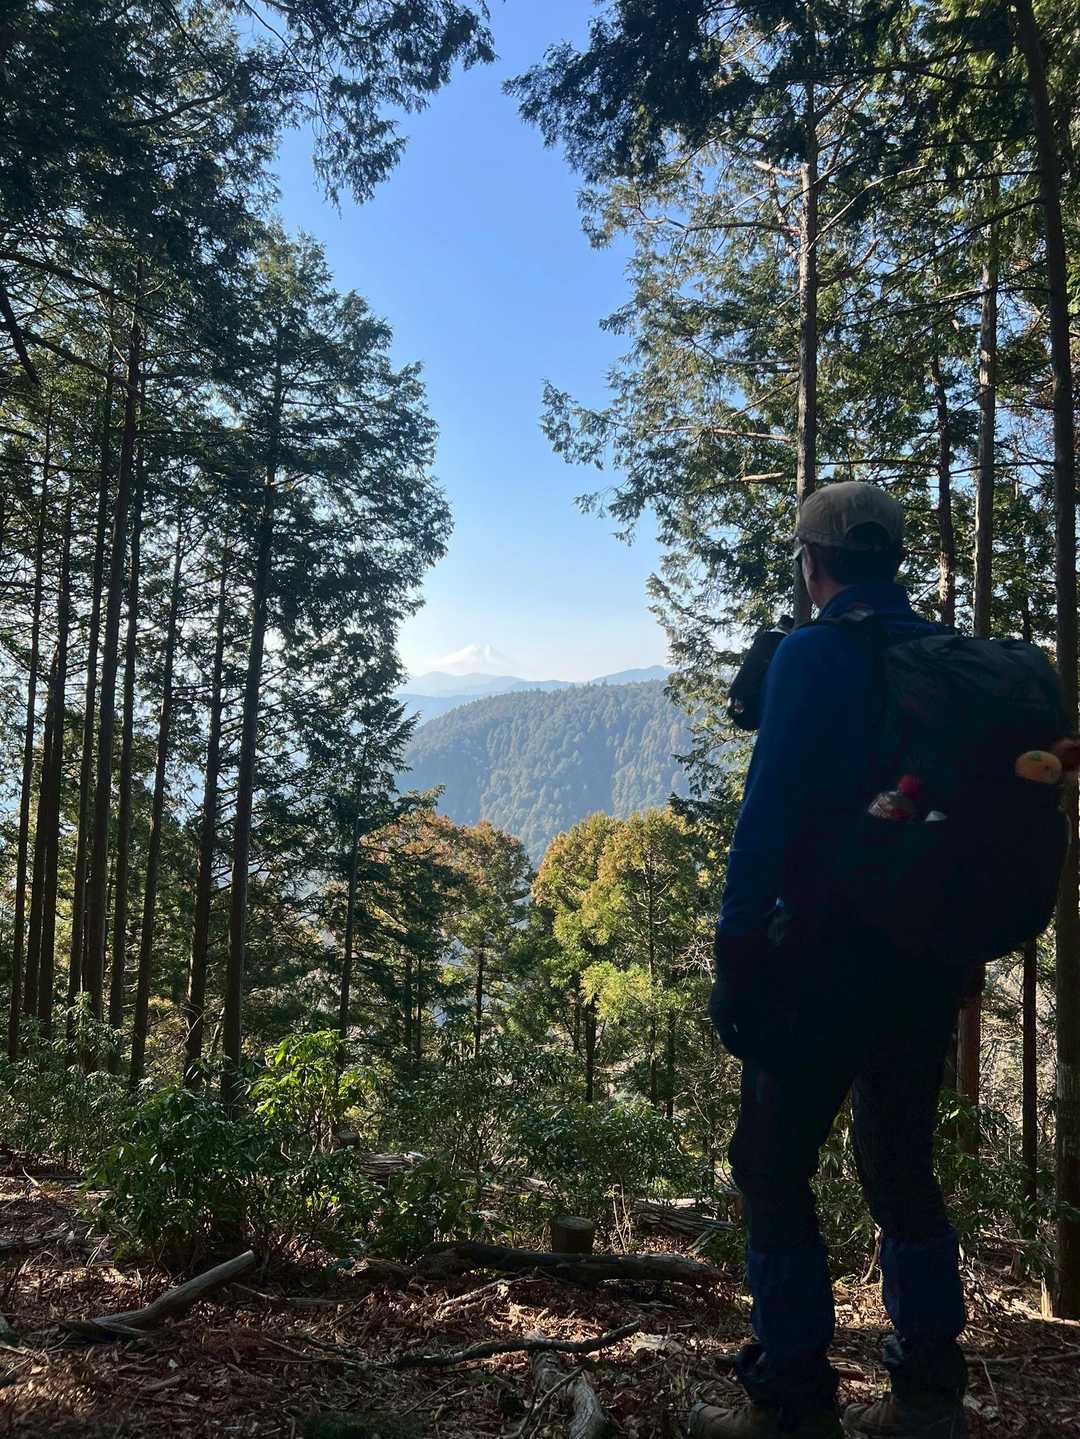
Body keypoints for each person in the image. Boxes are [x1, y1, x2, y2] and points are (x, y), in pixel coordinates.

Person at [692, 482, 970, 1439]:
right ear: (892, 560)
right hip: (924, 963)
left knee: (771, 1165)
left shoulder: (810, 655)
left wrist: (735, 950)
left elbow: (766, 812)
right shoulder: (943, 656)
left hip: (816, 959)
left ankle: (795, 1398)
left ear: (812, 565)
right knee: (900, 1162)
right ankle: (929, 1396)